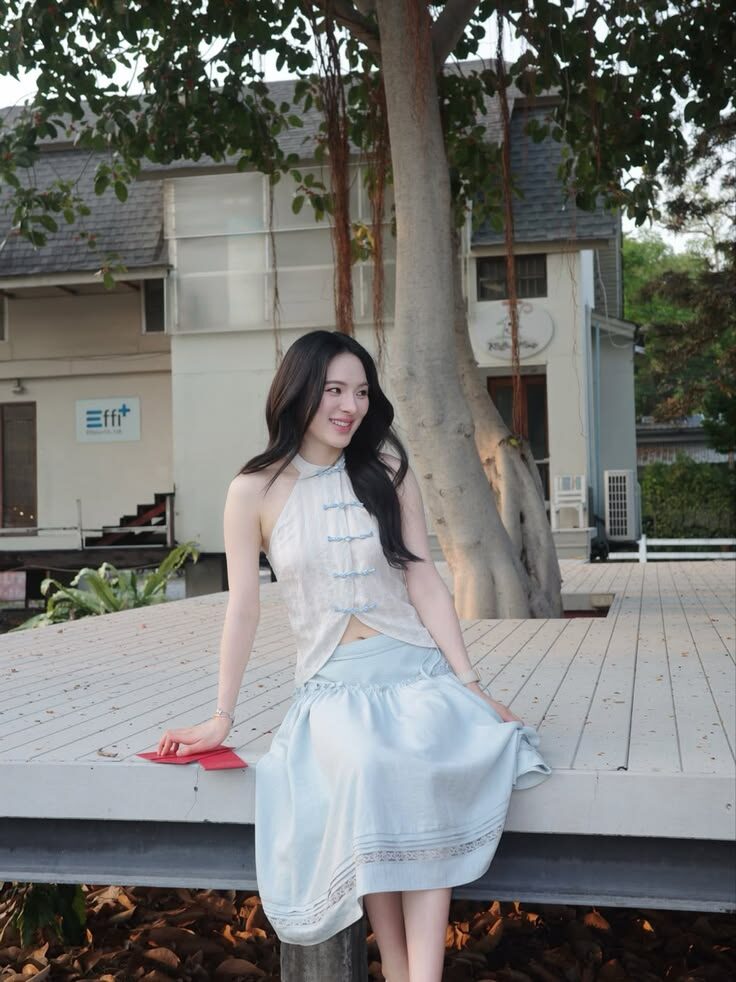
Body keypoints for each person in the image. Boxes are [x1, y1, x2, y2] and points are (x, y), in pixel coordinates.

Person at [157, 329, 552, 982]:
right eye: (335, 390)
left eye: (362, 392)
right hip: (333, 687)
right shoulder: (253, 490)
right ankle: (398, 967)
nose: (350, 406)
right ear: (299, 391)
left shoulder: (387, 470)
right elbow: (244, 608)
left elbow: (422, 577)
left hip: (415, 671)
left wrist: (468, 682)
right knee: (369, 767)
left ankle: (420, 975)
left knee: (421, 761)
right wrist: (222, 716)